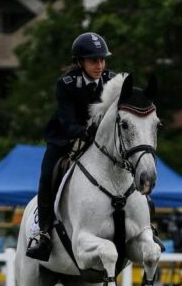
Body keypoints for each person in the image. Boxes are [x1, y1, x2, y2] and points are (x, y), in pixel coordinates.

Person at [26, 32, 116, 262]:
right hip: (65, 139)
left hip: (102, 143)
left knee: (133, 164)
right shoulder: (66, 84)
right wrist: (88, 133)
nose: (99, 65)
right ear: (80, 62)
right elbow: (67, 122)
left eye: (102, 60)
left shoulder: (113, 81)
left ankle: (145, 225)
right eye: (93, 60)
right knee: (47, 174)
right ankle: (44, 233)